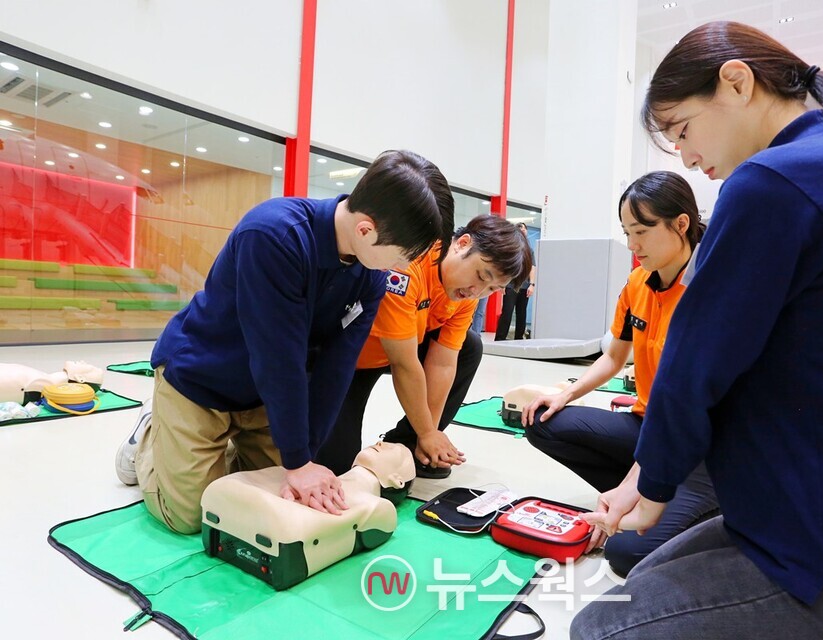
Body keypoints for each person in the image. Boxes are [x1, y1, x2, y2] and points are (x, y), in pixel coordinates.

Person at [571, 21, 823, 640]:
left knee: (599, 629)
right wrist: (647, 475)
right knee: (628, 586)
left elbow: (695, 363)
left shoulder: (777, 180)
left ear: (736, 82)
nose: (688, 158)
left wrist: (656, 481)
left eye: (683, 131)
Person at [115, 149, 455, 534]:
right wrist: (295, 462)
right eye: (403, 255)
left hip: (261, 398)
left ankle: (209, 450)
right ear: (366, 230)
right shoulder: (274, 235)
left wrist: (306, 456)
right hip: (201, 381)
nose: (403, 267)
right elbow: (278, 357)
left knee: (272, 502)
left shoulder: (371, 275)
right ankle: (148, 435)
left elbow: (336, 366)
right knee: (194, 517)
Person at [520, 171, 718, 577]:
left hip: (700, 443)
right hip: (648, 425)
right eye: (627, 232)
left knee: (626, 553)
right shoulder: (637, 283)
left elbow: (684, 406)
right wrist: (565, 394)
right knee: (542, 422)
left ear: (682, 225)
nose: (632, 245)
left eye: (642, 231)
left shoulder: (708, 290)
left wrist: (636, 481)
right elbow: (613, 358)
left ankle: (696, 504)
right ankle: (644, 492)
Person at [315, 214, 533, 479]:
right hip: (350, 358)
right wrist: (428, 431)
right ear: (462, 244)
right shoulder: (409, 264)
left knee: (469, 346)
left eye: (492, 288)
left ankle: (409, 443)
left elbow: (443, 362)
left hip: (400, 349)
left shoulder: (467, 293)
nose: (477, 291)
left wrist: (426, 434)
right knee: (334, 470)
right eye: (480, 276)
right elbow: (403, 363)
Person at [494, 222, 536, 340]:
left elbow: (532, 267)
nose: (522, 231)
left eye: (524, 229)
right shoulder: (511, 248)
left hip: (525, 286)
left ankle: (519, 339)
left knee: (521, 314)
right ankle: (499, 338)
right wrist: (502, 284)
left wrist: (532, 284)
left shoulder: (529, 250)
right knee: (507, 312)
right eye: (520, 229)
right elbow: (504, 266)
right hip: (510, 285)